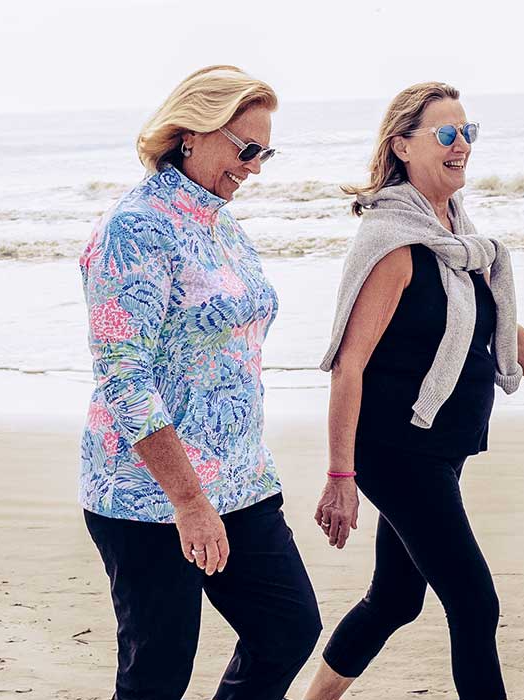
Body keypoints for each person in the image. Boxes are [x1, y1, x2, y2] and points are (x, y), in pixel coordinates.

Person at [306, 82, 524, 700]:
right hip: (396, 451)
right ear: (402, 145)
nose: (462, 146)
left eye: (468, 133)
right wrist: (339, 479)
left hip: (440, 448)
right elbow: (349, 366)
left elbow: (499, 324)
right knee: (475, 603)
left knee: (395, 599)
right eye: (446, 134)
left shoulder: (455, 232)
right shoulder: (394, 243)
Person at [78, 65, 321, 700]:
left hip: (241, 480)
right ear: (192, 133)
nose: (257, 166)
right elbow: (122, 377)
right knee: (157, 676)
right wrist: (188, 502)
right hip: (151, 495)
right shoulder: (135, 228)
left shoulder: (222, 221)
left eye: (265, 151)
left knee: (289, 628)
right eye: (247, 149)